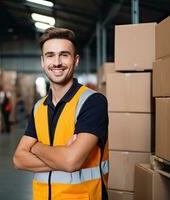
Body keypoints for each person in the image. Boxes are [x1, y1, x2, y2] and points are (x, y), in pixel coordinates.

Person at [13, 27, 109, 200]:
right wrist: (62, 155)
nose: (56, 62)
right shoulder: (38, 107)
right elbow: (19, 159)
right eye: (50, 55)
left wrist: (36, 147)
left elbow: (71, 162)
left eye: (64, 55)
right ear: (43, 61)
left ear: (76, 60)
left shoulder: (92, 102)